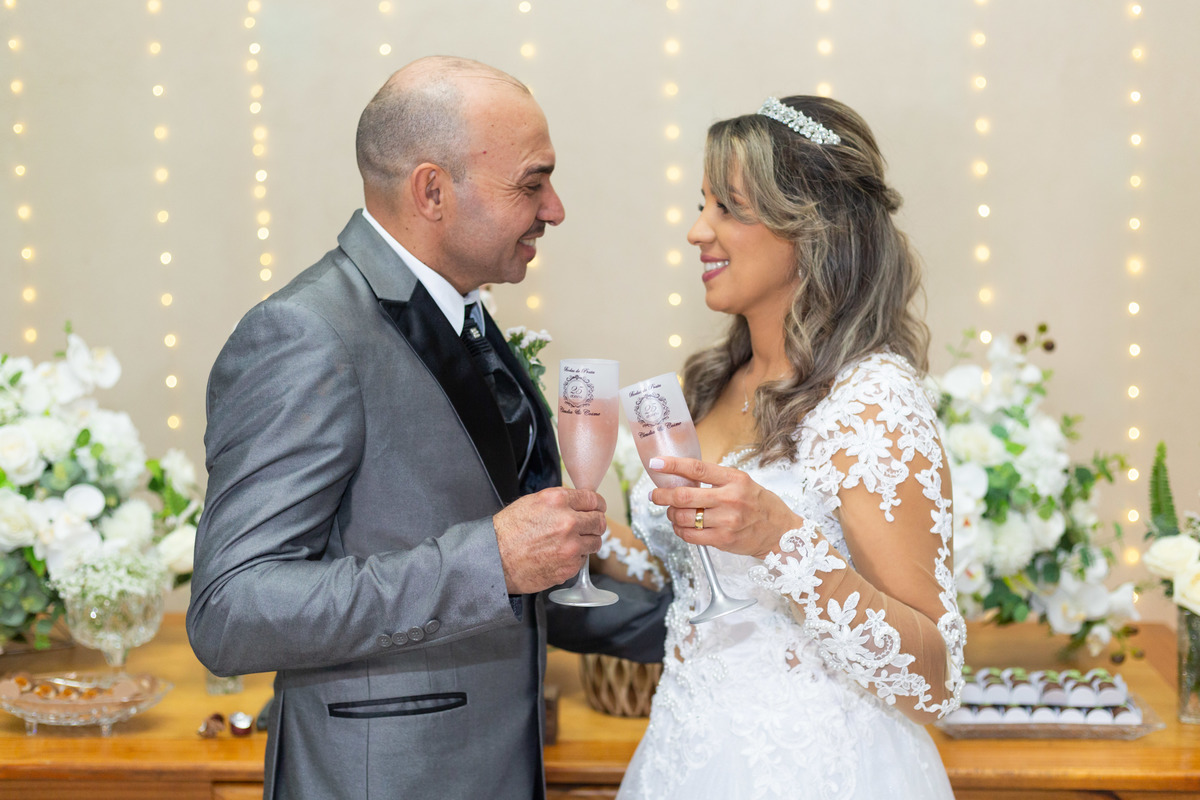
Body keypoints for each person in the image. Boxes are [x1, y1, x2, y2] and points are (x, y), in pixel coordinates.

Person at [187, 56, 669, 800]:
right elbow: (232, 611)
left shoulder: (462, 312)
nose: (555, 209)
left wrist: (695, 624)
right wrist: (488, 561)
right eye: (532, 184)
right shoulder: (306, 334)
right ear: (432, 190)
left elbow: (524, 582)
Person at [608, 96, 966, 799]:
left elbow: (933, 680)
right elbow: (699, 582)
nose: (697, 231)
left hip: (818, 771)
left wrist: (780, 539)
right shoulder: (714, 381)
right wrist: (593, 537)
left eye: (728, 208)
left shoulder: (872, 403)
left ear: (813, 229)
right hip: (683, 756)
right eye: (703, 205)